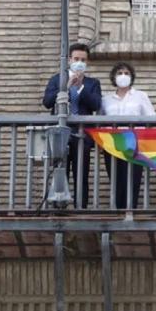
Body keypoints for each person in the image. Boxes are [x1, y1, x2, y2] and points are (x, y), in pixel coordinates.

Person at [43, 42, 102, 209]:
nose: (79, 63)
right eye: (76, 59)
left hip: (82, 136)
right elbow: (47, 102)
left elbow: (96, 104)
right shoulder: (57, 79)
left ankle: (80, 209)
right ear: (69, 60)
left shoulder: (92, 83)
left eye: (83, 60)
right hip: (60, 134)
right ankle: (59, 208)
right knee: (60, 172)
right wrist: (66, 87)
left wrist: (81, 87)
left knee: (81, 174)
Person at [101, 62, 155, 209]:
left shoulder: (140, 96)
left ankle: (131, 212)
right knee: (116, 181)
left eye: (126, 73)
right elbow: (100, 122)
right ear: (113, 77)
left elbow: (152, 119)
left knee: (133, 181)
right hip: (112, 146)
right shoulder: (105, 100)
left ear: (132, 77)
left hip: (134, 146)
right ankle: (118, 213)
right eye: (119, 73)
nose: (123, 76)